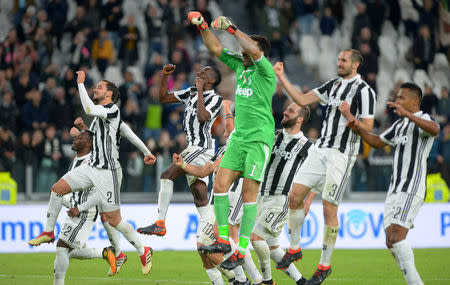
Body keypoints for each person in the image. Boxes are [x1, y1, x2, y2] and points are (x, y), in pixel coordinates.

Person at [28, 71, 157, 275]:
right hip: (91, 168)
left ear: (110, 94)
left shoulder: (112, 109)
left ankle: (143, 249)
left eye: (99, 87)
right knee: (57, 189)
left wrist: (81, 83)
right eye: (94, 86)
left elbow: (94, 111)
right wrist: (82, 130)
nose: (95, 88)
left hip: (108, 172)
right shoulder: (101, 117)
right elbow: (108, 136)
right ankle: (48, 231)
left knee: (113, 219)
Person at [273, 49, 377, 284]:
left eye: (344, 60)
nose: (339, 63)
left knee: (329, 209)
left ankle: (324, 265)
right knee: (295, 196)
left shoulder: (364, 92)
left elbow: (368, 127)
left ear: (356, 65)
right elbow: (301, 100)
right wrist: (281, 76)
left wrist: (350, 116)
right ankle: (295, 248)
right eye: (338, 59)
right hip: (319, 150)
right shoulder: (332, 85)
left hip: (341, 155)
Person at [188, 11, 277, 270]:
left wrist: (232, 29)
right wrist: (203, 27)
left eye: (249, 48)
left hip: (259, 138)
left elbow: (252, 50)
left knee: (249, 194)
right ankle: (224, 240)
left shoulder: (266, 71)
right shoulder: (240, 64)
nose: (243, 51)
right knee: (220, 185)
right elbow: (215, 47)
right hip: (239, 138)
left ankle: (241, 248)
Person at [344, 82, 439, 285]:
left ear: (415, 101)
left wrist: (408, 115)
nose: (397, 101)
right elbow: (378, 141)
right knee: (390, 241)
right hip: (394, 189)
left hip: (411, 186)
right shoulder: (399, 125)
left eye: (401, 98)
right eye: (397, 97)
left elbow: (435, 129)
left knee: (397, 237)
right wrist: (357, 126)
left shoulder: (423, 118)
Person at [136, 63, 223, 237]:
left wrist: (199, 92)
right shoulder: (190, 92)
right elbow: (163, 98)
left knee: (167, 175)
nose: (198, 74)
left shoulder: (215, 99)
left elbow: (203, 117)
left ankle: (160, 222)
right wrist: (165, 77)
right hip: (192, 147)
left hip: (201, 147)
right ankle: (214, 232)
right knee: (200, 195)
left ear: (212, 80)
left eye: (203, 73)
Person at [250, 102, 311, 285]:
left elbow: (315, 178)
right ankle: (302, 281)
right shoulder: (274, 135)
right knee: (274, 248)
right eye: (286, 108)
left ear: (299, 119)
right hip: (261, 196)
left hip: (281, 199)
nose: (285, 112)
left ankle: (267, 281)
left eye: (290, 111)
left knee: (256, 238)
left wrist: (306, 203)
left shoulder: (306, 146)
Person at [52, 129, 122, 284]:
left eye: (80, 138)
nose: (75, 139)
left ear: (89, 143)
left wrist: (80, 207)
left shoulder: (90, 162)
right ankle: (105, 252)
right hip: (76, 207)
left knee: (62, 247)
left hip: (85, 211)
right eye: (76, 137)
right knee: (68, 251)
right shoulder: (78, 159)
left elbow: (99, 190)